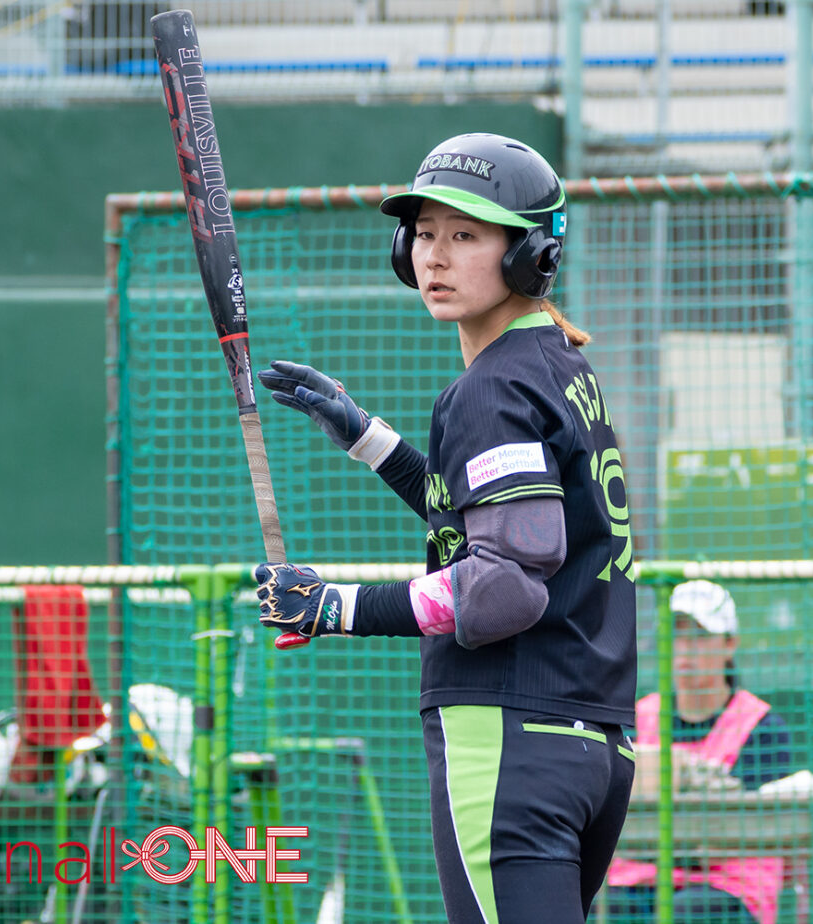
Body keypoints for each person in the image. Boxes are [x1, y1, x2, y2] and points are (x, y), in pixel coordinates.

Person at [251, 132, 638, 924]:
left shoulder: (492, 387)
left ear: (531, 253)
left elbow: (501, 588)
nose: (435, 255)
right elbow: (499, 527)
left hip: (509, 742)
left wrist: (338, 607)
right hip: (593, 745)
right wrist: (371, 441)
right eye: (425, 233)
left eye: (466, 235)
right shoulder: (561, 366)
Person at [606, 580, 794, 924]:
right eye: (676, 635)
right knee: (612, 907)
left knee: (690, 911)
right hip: (643, 877)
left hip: (728, 885)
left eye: (700, 636)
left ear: (729, 644)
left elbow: (742, 835)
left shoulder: (761, 726)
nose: (686, 651)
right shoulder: (639, 717)